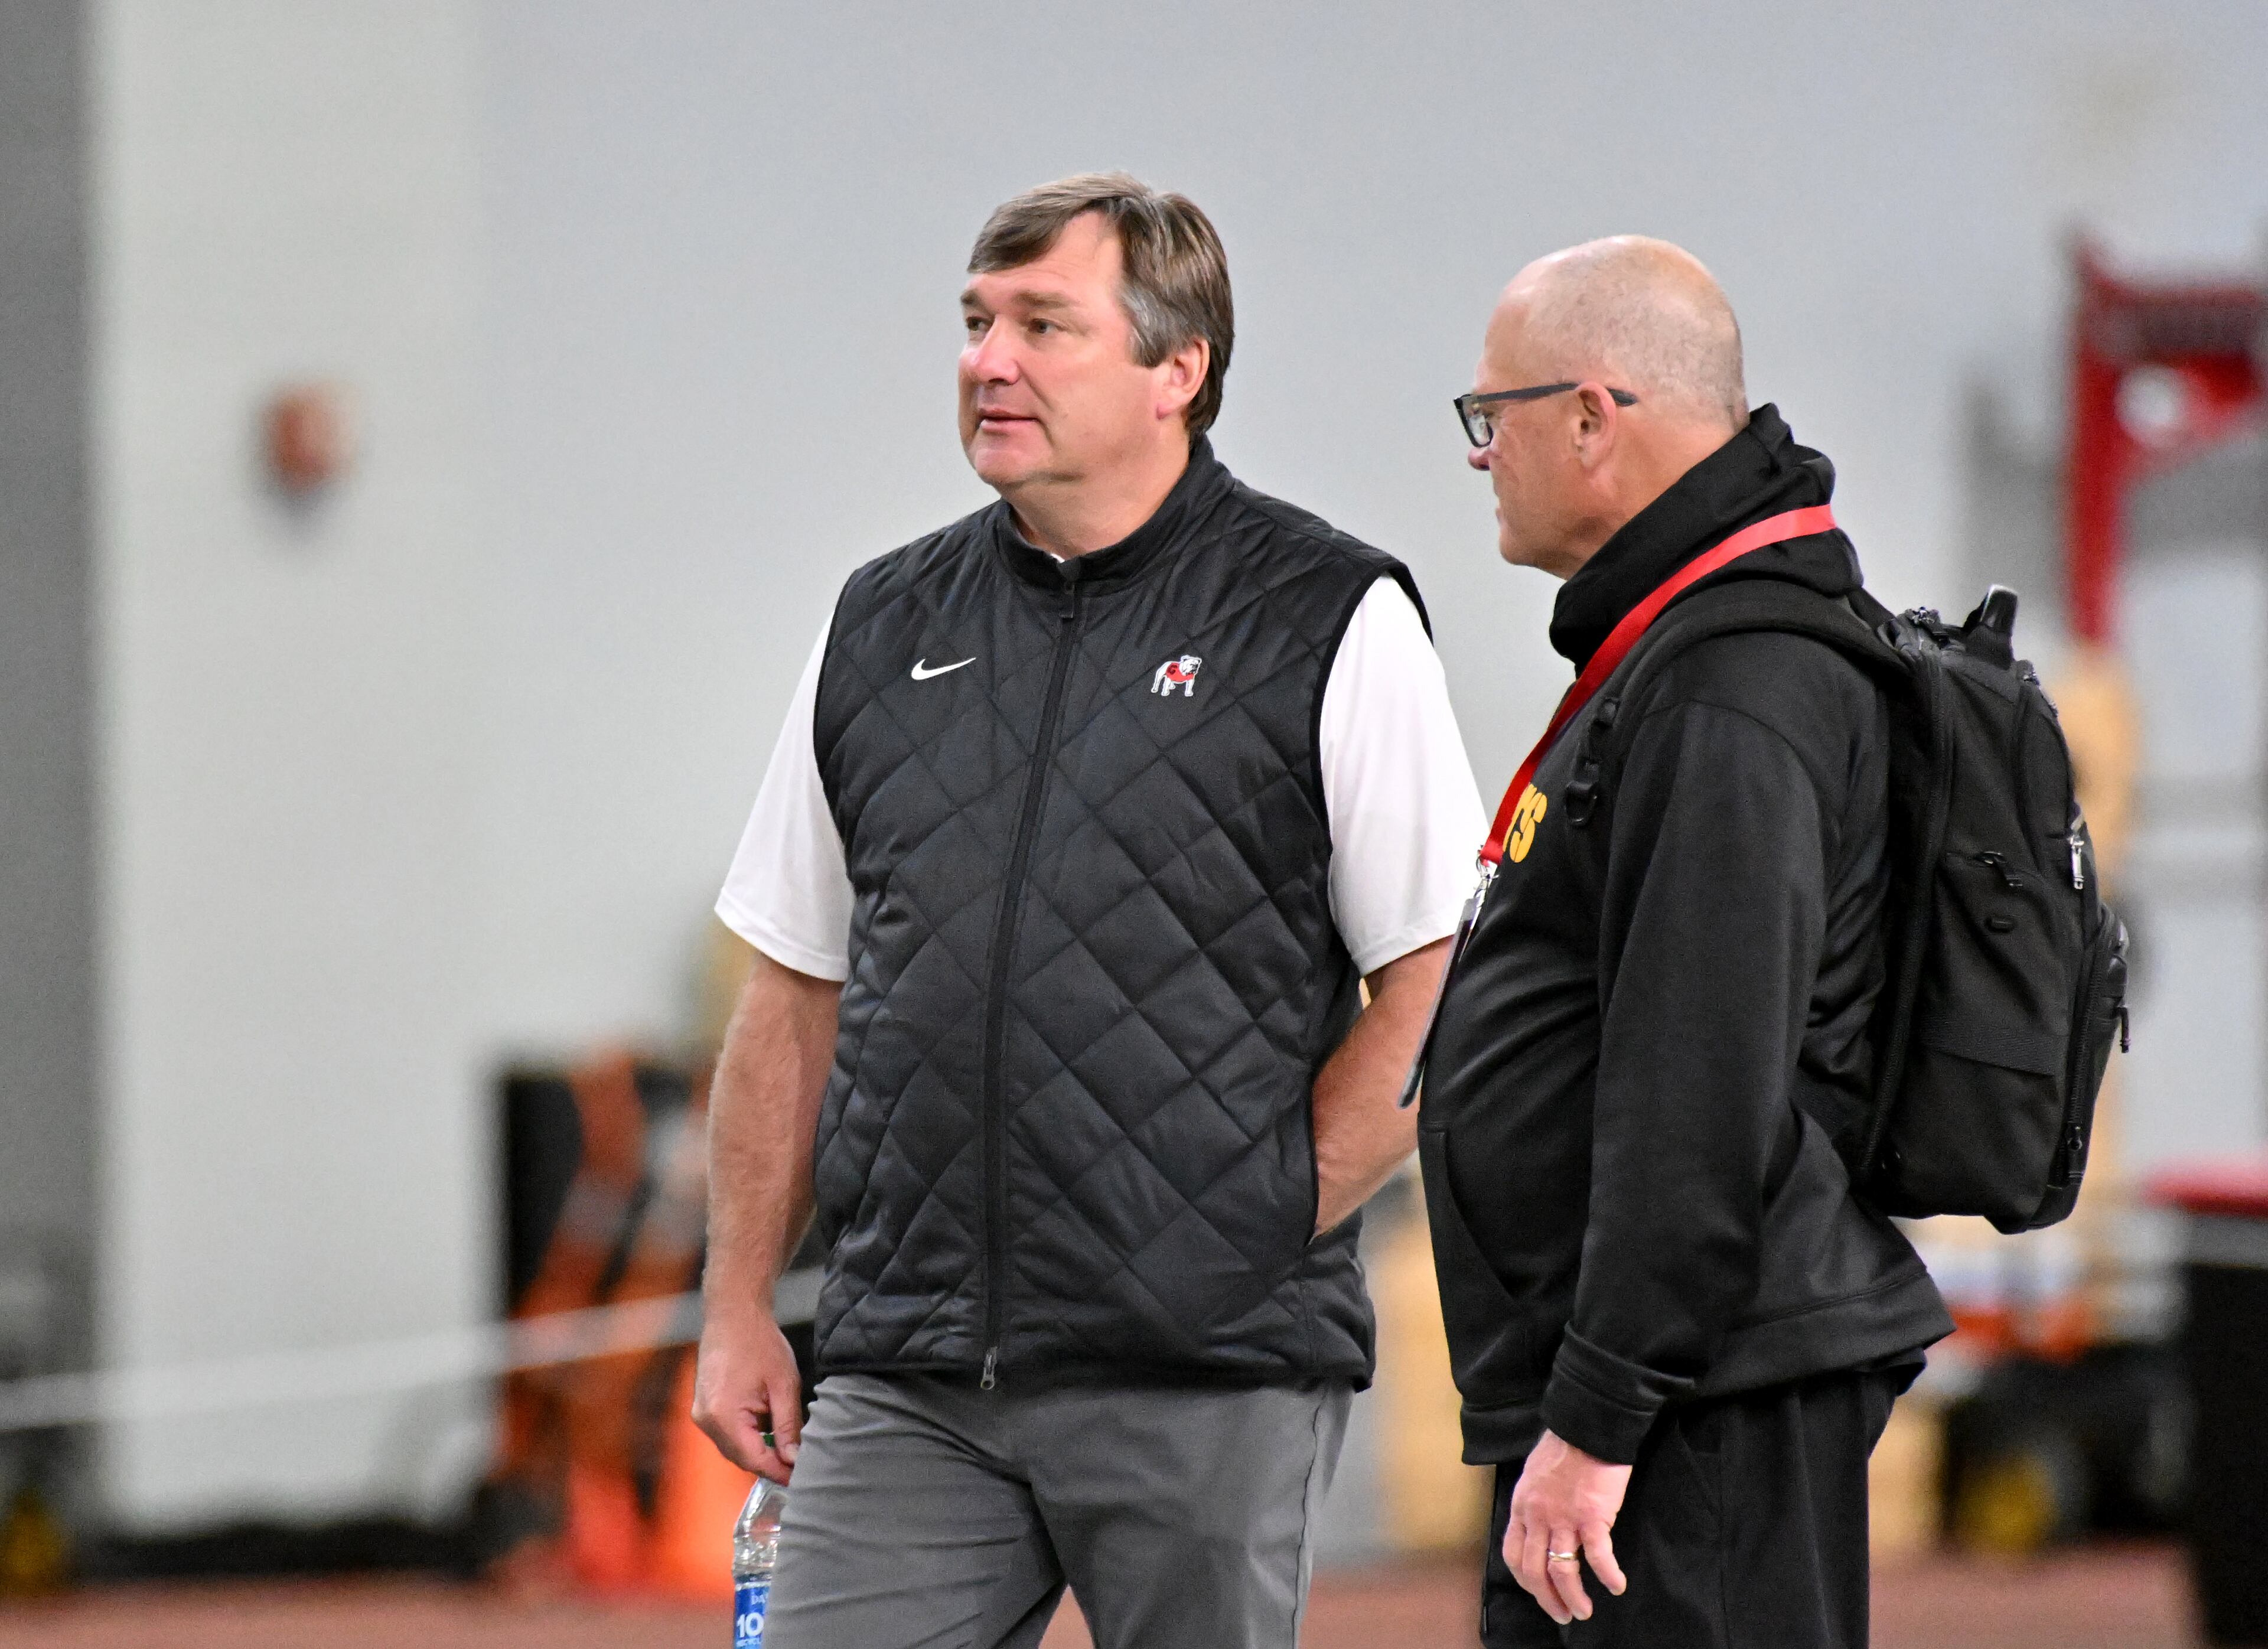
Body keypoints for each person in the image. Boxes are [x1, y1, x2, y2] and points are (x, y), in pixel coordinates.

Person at [693, 172, 1484, 1649]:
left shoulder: (1327, 617)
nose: (989, 361)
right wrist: (738, 1303)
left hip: (1204, 1371)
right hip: (910, 1372)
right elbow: (793, 986)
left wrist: (1260, 1218)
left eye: (1044, 326)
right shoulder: (880, 622)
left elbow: (1443, 985)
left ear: (1176, 368)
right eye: (976, 322)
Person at [1416, 237, 1954, 1648]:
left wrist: (1603, 1411)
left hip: (1689, 1406)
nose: (1480, 453)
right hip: (1660, 1387)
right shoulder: (1689, 657)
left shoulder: (1732, 688)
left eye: (1495, 414)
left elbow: (1700, 1082)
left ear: (1594, 418)